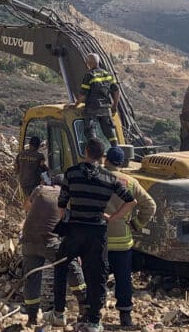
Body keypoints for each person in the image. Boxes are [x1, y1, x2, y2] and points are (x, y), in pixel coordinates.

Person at [48, 138, 136, 332]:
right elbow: (131, 201)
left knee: (61, 267)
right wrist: (113, 217)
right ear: (102, 156)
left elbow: (61, 205)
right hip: (97, 232)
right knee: (97, 275)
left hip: (75, 229)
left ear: (86, 151)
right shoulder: (109, 178)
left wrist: (68, 219)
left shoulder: (71, 173)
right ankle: (94, 321)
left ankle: (59, 312)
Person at [20, 176, 87, 326]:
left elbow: (26, 207)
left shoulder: (39, 190)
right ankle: (84, 305)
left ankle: (32, 318)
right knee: (72, 266)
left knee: (32, 278)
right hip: (49, 242)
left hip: (28, 241)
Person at [104, 147, 157, 329]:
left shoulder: (96, 177)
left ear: (106, 160)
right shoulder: (131, 182)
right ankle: (125, 316)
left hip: (99, 238)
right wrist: (136, 223)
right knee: (123, 279)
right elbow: (150, 205)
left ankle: (92, 314)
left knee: (96, 276)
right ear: (123, 163)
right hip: (122, 240)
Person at [75, 53, 120, 143]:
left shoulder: (90, 75)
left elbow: (83, 95)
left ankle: (94, 150)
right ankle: (115, 148)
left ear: (89, 63)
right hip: (106, 108)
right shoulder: (108, 75)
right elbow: (116, 91)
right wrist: (114, 105)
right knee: (110, 131)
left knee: (90, 130)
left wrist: (76, 104)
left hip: (92, 108)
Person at [15, 136, 48, 200]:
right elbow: (43, 169)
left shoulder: (21, 153)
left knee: (27, 199)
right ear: (38, 146)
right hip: (33, 184)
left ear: (29, 144)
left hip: (22, 182)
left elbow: (16, 168)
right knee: (33, 201)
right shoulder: (39, 156)